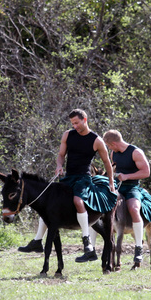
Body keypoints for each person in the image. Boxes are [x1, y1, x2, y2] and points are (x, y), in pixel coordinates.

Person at [17, 109, 116, 262]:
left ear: (85, 120)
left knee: (78, 201)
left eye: (77, 122)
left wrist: (111, 182)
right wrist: (59, 166)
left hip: (83, 179)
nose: (74, 126)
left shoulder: (96, 140)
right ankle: (37, 241)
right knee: (48, 205)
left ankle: (87, 245)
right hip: (68, 177)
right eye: (72, 123)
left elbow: (107, 164)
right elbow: (61, 155)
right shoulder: (67, 135)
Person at [102, 129, 151, 266]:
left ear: (114, 143)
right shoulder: (114, 153)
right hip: (118, 187)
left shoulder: (136, 152)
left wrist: (127, 176)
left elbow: (146, 172)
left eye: (109, 145)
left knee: (134, 207)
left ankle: (138, 247)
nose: (108, 148)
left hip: (132, 187)